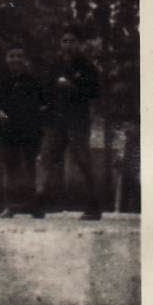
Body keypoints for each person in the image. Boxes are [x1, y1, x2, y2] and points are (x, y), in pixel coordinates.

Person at [45, 30, 103, 220]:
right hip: (58, 119)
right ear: (60, 44)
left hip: (78, 119)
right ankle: (44, 202)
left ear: (78, 44)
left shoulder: (87, 66)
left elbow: (94, 92)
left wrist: (73, 87)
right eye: (64, 41)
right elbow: (47, 91)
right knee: (48, 158)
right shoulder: (56, 66)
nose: (68, 44)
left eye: (71, 41)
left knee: (82, 160)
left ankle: (94, 206)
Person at [0, 46, 50, 217]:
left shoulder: (34, 81)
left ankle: (35, 206)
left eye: (19, 56)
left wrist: (37, 117)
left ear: (24, 59)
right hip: (8, 130)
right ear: (6, 59)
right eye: (11, 56)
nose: (15, 59)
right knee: (10, 167)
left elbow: (44, 104)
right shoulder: (1, 81)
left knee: (31, 166)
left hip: (29, 130)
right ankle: (9, 206)